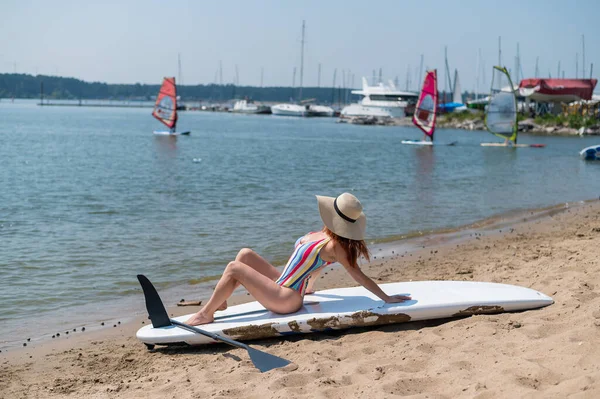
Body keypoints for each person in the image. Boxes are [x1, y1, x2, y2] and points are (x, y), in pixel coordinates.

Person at [185, 193, 412, 326]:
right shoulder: (323, 234)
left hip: (287, 298)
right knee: (245, 254)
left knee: (234, 268)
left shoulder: (336, 246)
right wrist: (310, 287)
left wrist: (386, 297)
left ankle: (206, 313)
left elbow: (357, 275)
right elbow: (315, 264)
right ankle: (221, 300)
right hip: (285, 282)